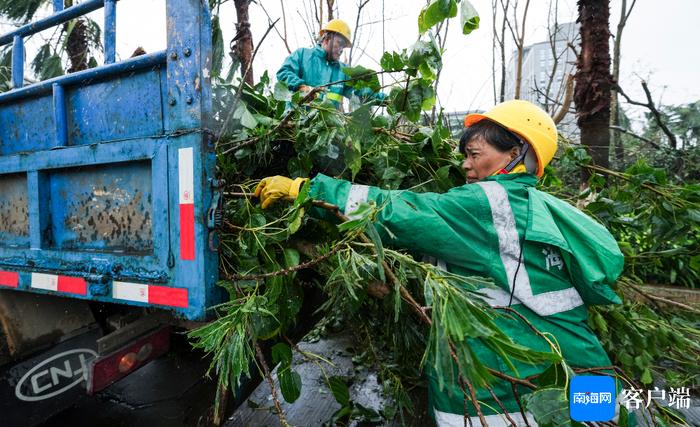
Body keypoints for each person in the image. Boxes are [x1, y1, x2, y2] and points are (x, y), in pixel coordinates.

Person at [254, 100, 624, 426]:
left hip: (513, 382)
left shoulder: (491, 204)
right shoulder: (536, 206)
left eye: (475, 154)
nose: (465, 164)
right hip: (570, 366)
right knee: (608, 417)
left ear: (516, 154)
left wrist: (308, 190)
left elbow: (406, 213)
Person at [276, 19, 385, 109]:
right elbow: (284, 73)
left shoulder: (343, 71)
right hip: (294, 124)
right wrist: (300, 86)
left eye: (344, 46)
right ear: (327, 38)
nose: (341, 49)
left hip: (325, 129)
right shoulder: (303, 55)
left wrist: (390, 99)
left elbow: (362, 93)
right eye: (339, 43)